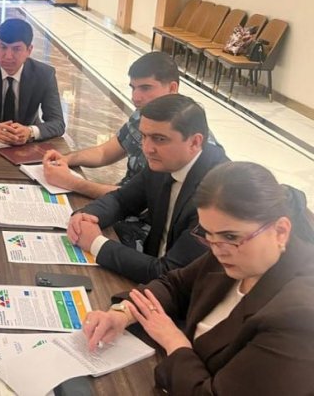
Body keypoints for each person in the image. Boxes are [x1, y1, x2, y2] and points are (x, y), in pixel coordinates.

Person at [83, 162, 314, 395]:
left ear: (280, 231)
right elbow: (175, 285)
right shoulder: (232, 250)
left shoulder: (299, 317)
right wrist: (122, 313)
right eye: (207, 235)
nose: (217, 251)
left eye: (230, 236)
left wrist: (174, 342)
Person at [70, 94, 228, 283]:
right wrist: (87, 216)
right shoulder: (164, 161)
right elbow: (122, 199)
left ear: (194, 142)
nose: (147, 148)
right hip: (150, 270)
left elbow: (170, 272)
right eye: (144, 136)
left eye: (159, 139)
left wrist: (96, 243)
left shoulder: (218, 193)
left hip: (181, 291)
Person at [42, 51, 181, 199]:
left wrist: (71, 182)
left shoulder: (182, 136)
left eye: (145, 88)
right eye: (133, 88)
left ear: (172, 88)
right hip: (118, 198)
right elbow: (104, 153)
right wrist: (67, 159)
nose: (135, 97)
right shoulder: (142, 115)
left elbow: (141, 200)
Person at [0, 18, 65, 144]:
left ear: (29, 50)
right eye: (3, 47)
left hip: (27, 143)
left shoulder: (44, 75)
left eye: (16, 49)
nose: (8, 56)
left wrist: (30, 132)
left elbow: (58, 123)